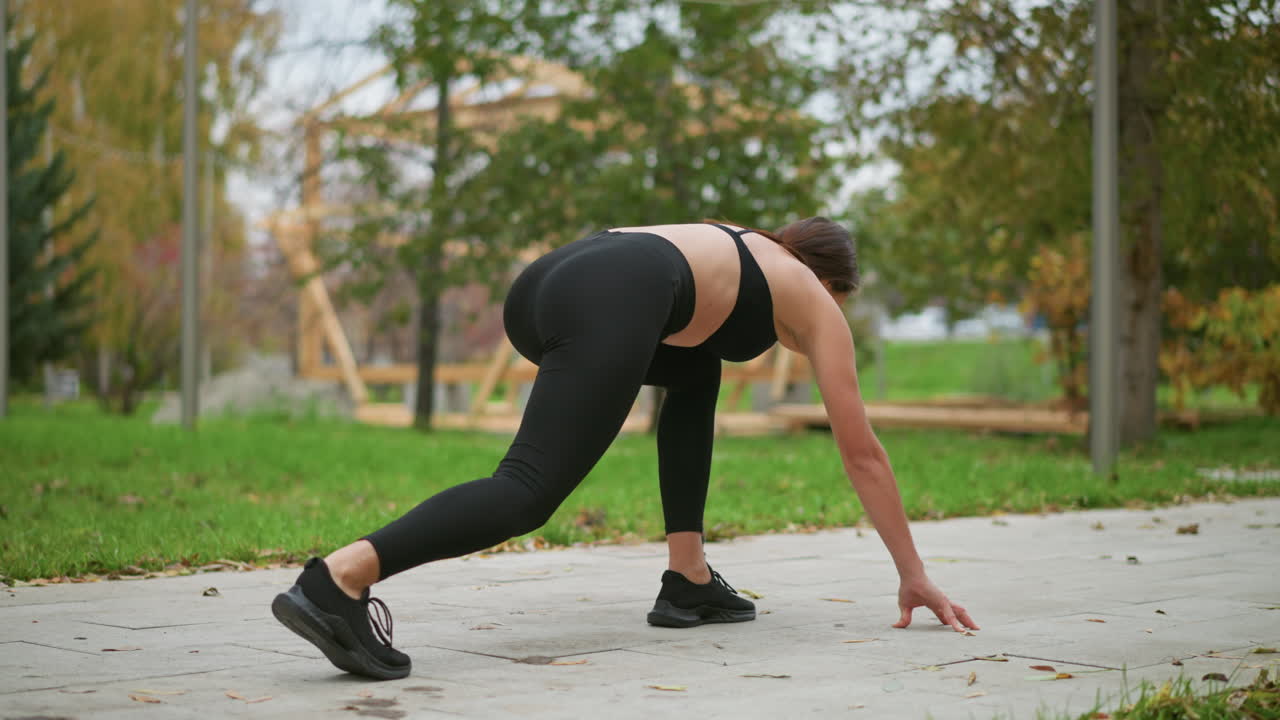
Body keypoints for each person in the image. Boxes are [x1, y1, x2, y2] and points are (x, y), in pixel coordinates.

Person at [272, 218, 979, 680]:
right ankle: (336, 581)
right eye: (838, 300)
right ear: (831, 284)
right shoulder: (811, 298)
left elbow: (670, 313)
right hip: (614, 291)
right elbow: (862, 453)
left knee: (696, 370)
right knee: (527, 489)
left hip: (549, 282)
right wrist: (913, 570)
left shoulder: (739, 251)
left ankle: (688, 578)